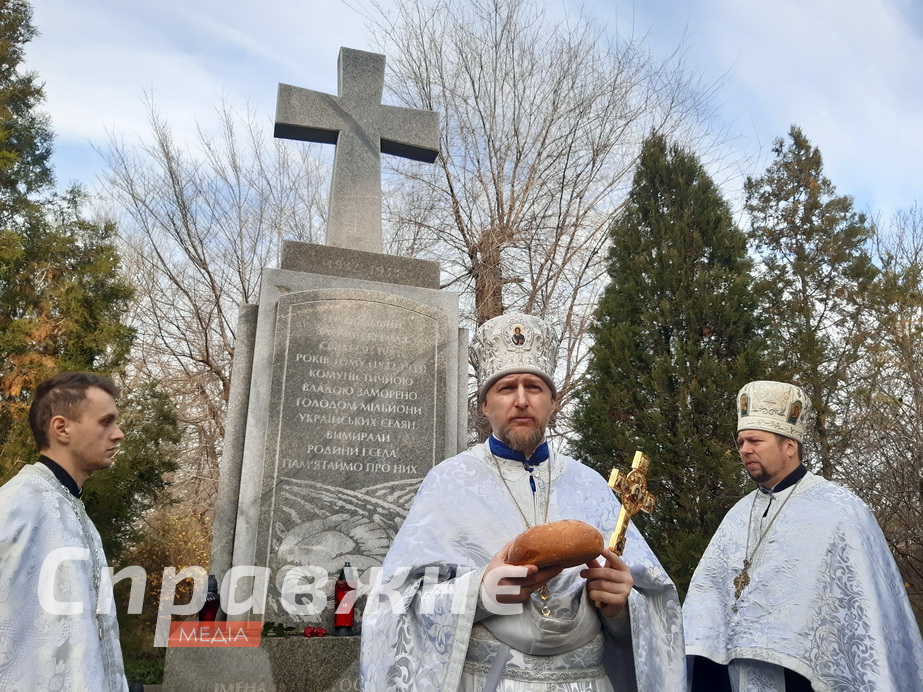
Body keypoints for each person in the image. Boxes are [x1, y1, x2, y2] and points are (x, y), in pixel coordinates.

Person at [360, 313, 685, 691]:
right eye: (505, 388)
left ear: (552, 402)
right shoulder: (448, 482)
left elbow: (657, 606)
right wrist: (480, 595)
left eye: (533, 387)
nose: (520, 400)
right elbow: (395, 604)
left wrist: (621, 609)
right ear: (485, 405)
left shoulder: (590, 484)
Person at [683, 380, 923, 691]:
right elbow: (706, 604)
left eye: (755, 440)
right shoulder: (737, 515)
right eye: (741, 441)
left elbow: (863, 612)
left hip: (804, 678)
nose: (744, 449)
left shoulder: (840, 510)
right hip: (732, 676)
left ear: (789, 447)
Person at [0, 372, 128, 691]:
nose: (118, 434)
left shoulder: (75, 512)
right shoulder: (17, 504)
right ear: (62, 428)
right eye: (106, 422)